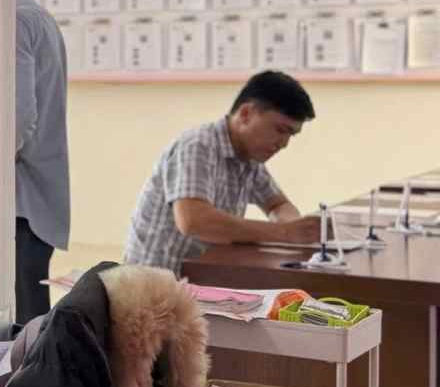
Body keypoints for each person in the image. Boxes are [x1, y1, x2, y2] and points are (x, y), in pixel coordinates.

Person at [123, 70, 319, 275]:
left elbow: (278, 205)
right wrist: (283, 233)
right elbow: (193, 221)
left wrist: (297, 229)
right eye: (280, 130)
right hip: (153, 283)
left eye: (291, 135)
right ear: (245, 114)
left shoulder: (249, 159)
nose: (284, 144)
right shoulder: (197, 146)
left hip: (198, 277)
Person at [14, 0, 70, 322]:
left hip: (21, 200)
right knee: (27, 316)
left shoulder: (15, 20)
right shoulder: (36, 15)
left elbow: (18, 118)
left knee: (23, 323)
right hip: (34, 197)